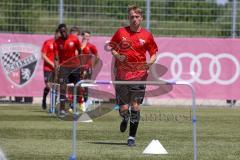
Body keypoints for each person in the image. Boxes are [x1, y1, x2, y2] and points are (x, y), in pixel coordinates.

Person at [110, 5, 158, 146]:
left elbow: (154, 53)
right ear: (128, 18)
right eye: (132, 16)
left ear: (141, 18)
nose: (134, 19)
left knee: (135, 106)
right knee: (124, 109)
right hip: (122, 75)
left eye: (137, 17)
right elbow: (112, 48)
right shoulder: (120, 32)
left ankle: (131, 138)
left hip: (139, 74)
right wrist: (118, 56)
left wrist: (150, 63)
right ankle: (125, 118)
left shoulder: (147, 35)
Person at [54, 24, 82, 116]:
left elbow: (80, 51)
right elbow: (56, 58)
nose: (63, 33)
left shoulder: (74, 39)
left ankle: (73, 107)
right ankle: (62, 110)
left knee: (76, 87)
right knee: (62, 88)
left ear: (67, 30)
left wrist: (81, 65)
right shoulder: (57, 42)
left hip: (74, 66)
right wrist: (56, 71)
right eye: (61, 32)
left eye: (64, 31)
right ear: (60, 32)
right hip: (64, 67)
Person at [41, 29, 60, 110]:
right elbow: (43, 56)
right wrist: (52, 64)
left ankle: (53, 106)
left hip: (57, 69)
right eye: (59, 34)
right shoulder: (48, 42)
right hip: (48, 68)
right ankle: (44, 99)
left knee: (56, 86)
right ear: (55, 34)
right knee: (48, 86)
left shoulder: (61, 44)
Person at [80, 30, 99, 104]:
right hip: (78, 68)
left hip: (87, 68)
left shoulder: (91, 46)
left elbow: (97, 56)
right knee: (77, 85)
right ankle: (76, 102)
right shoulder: (78, 45)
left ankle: (85, 101)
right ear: (82, 36)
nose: (87, 37)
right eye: (86, 36)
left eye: (88, 36)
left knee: (85, 85)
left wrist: (93, 66)